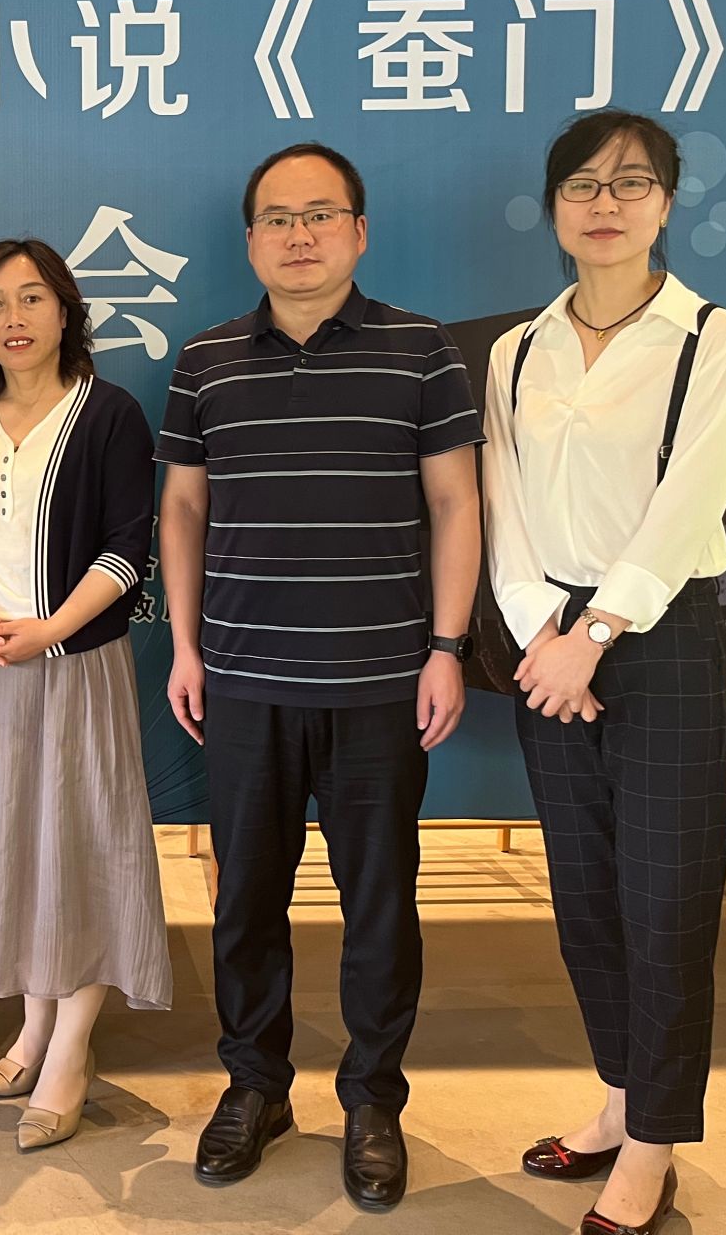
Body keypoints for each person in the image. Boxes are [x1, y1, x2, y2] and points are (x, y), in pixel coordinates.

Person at [158, 142, 482, 1208]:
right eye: (276, 219)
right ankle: (255, 1087)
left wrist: (445, 649)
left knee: (379, 904)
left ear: (358, 231)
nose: (298, 236)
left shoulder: (421, 350)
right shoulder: (206, 360)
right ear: (249, 239)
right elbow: (182, 509)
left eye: (319, 215)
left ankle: (372, 1100)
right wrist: (188, 648)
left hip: (381, 682)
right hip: (243, 681)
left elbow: (454, 503)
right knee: (245, 899)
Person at [484, 110, 726, 1235]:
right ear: (553, 207)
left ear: (666, 203)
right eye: (583, 185)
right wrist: (540, 632)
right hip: (544, 644)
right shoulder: (516, 349)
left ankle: (652, 1147)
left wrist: (593, 634)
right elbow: (500, 501)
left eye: (631, 183)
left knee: (666, 901)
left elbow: (695, 496)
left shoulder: (712, 339)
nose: (606, 204)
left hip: (661, 639)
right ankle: (615, 1101)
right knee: (586, 896)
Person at [0, 238, 170, 1153]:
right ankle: (32, 1024)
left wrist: (50, 630)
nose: (13, 319)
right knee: (15, 844)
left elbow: (127, 548)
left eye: (31, 298)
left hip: (74, 662)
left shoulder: (109, 413)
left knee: (84, 844)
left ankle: (70, 1048)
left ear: (66, 311)